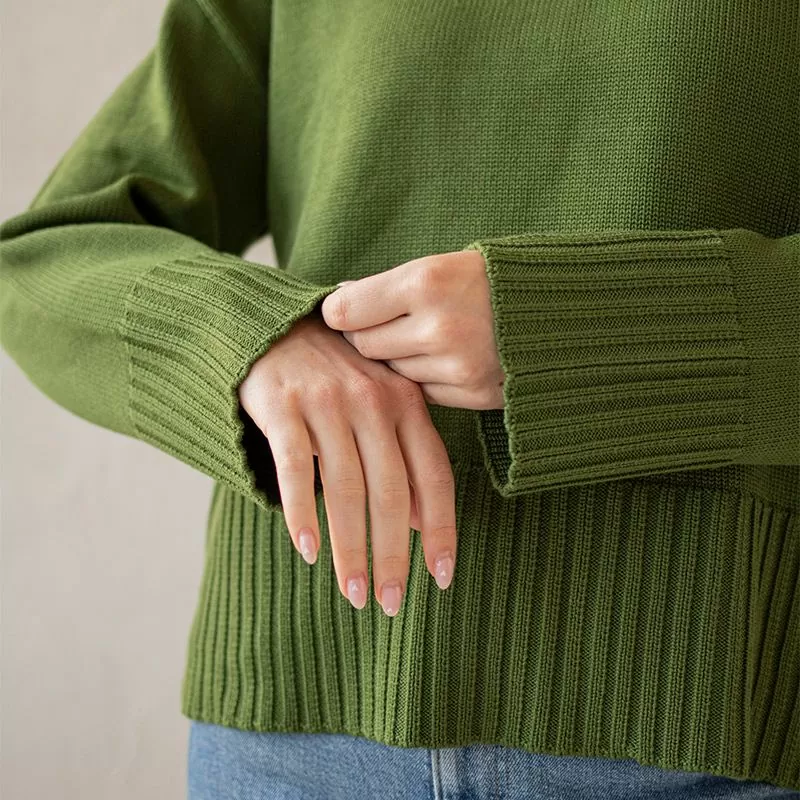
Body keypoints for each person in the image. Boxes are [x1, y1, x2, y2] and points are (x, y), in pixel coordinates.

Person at [1, 0, 797, 798]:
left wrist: (579, 327)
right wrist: (254, 338)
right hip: (290, 734)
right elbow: (45, 256)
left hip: (718, 713)